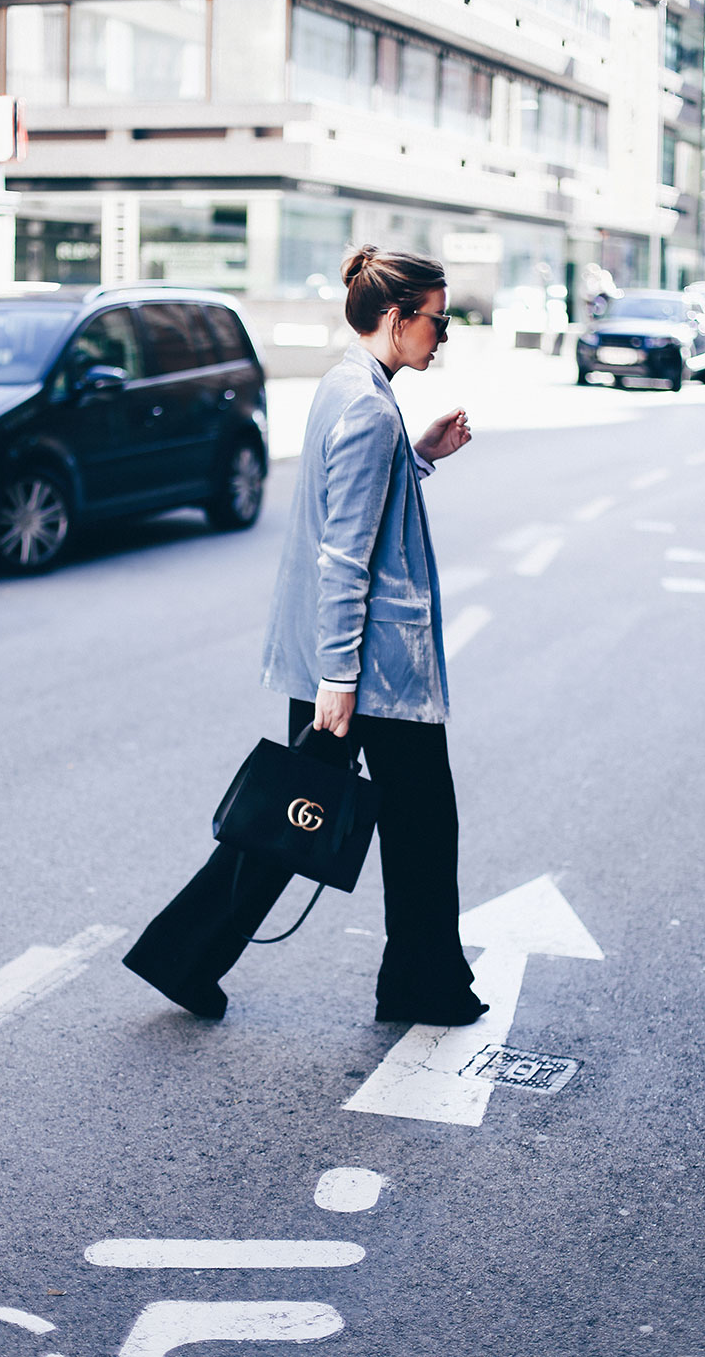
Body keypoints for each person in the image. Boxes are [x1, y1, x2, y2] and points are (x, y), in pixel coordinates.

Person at [123, 245, 487, 1027]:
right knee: (419, 821)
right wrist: (337, 676)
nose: (443, 336)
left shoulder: (350, 387)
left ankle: (183, 955)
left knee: (294, 813)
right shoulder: (364, 405)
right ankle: (420, 982)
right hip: (368, 665)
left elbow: (355, 510)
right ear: (396, 318)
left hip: (346, 659)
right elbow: (343, 551)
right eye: (437, 319)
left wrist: (418, 455)